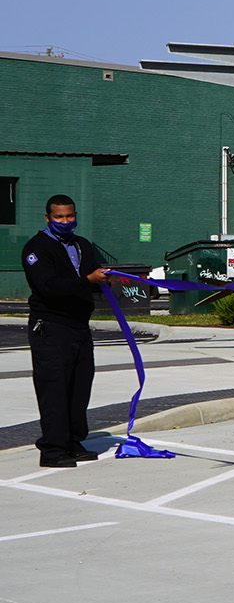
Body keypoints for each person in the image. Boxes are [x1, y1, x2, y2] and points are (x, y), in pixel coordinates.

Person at [23, 195, 118, 469]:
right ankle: (52, 449)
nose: (65, 222)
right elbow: (49, 287)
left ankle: (73, 441)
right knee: (54, 388)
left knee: (79, 386)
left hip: (79, 327)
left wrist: (104, 279)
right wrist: (88, 280)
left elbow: (94, 276)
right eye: (59, 217)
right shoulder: (36, 248)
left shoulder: (82, 245)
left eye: (69, 216)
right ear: (47, 218)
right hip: (51, 327)